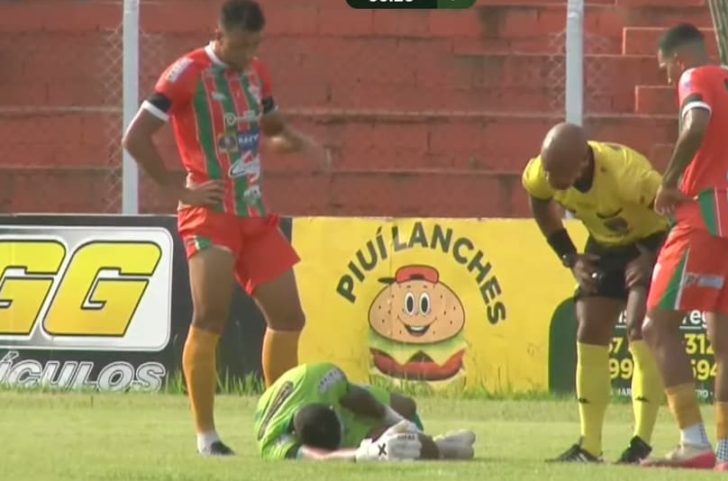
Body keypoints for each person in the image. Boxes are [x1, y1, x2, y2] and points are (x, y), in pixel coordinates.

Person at [122, 0, 330, 456]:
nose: (248, 53)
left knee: (289, 317)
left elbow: (271, 130)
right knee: (209, 317)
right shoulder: (185, 74)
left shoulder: (257, 73)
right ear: (218, 34)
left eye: (256, 44)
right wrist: (176, 186)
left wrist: (297, 143)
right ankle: (207, 436)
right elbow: (135, 137)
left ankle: (281, 425)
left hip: (254, 212)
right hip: (210, 215)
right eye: (241, 44)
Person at [640, 23, 728, 471]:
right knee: (726, 342)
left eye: (664, 70)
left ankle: (693, 442)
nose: (666, 79)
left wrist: (669, 180)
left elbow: (696, 124)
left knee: (655, 326)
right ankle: (726, 457)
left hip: (705, 215)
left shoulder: (695, 78)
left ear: (678, 60)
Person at [521, 122, 669, 464]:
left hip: (653, 242)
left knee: (638, 327)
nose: (552, 180)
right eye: (548, 171)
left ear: (582, 164)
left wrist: (651, 258)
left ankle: (640, 445)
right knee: (589, 327)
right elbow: (539, 202)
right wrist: (569, 256)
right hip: (604, 246)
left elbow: (680, 214)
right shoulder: (544, 172)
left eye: (560, 174)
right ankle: (589, 446)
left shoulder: (627, 174)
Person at [255, 362, 477, 461]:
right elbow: (322, 457)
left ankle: (424, 436)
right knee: (399, 445)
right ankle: (441, 448)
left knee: (408, 406)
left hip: (336, 394)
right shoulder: (272, 442)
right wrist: (368, 452)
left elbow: (357, 397)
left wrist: (393, 419)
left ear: (333, 409)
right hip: (314, 407)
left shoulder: (323, 377)